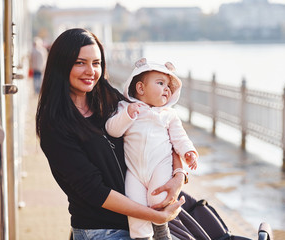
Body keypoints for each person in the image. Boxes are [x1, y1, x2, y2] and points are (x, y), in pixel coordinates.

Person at [35, 28, 186, 240]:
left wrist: (179, 175)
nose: (90, 71)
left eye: (96, 63)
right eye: (80, 62)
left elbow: (162, 132)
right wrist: (155, 216)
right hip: (102, 230)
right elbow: (95, 191)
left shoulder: (109, 99)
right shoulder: (55, 125)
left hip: (141, 222)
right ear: (61, 64)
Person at [105, 58, 198, 240]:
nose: (166, 89)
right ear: (140, 88)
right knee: (135, 207)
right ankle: (142, 237)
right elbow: (112, 130)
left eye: (168, 86)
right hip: (134, 172)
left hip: (160, 166)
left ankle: (162, 232)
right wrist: (127, 115)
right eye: (160, 83)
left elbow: (179, 137)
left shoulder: (168, 115)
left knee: (159, 198)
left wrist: (189, 152)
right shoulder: (126, 108)